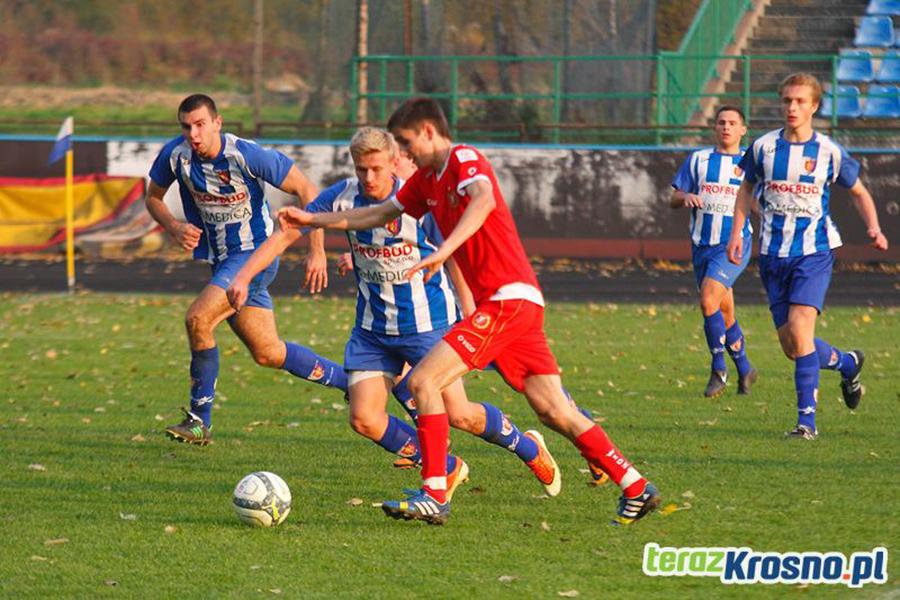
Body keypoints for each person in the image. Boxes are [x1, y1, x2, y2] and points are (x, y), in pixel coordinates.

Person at [278, 98, 660, 525]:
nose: (403, 154)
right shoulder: (425, 181)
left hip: (506, 298)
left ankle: (434, 494)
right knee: (552, 408)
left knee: (424, 381)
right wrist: (312, 221)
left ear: (428, 131)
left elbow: (483, 200)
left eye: (406, 142)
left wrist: (445, 249)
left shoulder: (463, 159)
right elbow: (380, 213)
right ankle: (636, 486)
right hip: (517, 304)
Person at [228, 127, 563, 499]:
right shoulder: (340, 197)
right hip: (372, 330)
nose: (369, 177)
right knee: (364, 419)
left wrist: (469, 305)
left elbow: (454, 251)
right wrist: (243, 277)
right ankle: (445, 467)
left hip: (427, 325)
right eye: (361, 169)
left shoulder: (418, 201)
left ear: (394, 163)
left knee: (460, 415)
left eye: (376, 169)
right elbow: (287, 233)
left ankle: (529, 448)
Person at [145, 94, 345, 445]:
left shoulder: (246, 154)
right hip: (221, 262)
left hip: (255, 256)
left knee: (198, 319)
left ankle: (199, 421)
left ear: (217, 123)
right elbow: (153, 197)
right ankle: (352, 382)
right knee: (268, 353)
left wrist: (317, 250)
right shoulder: (175, 155)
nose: (193, 134)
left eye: (200, 125)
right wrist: (174, 227)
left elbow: (307, 189)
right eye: (187, 127)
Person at [727, 73, 889, 440]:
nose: (792, 107)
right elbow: (745, 188)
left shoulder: (829, 151)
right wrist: (737, 234)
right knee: (793, 346)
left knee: (801, 332)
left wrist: (874, 228)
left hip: (813, 253)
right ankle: (847, 363)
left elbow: (859, 192)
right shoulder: (764, 147)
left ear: (814, 106)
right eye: (787, 100)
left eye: (800, 101)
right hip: (772, 256)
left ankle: (806, 424)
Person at [671, 105, 758, 398]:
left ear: (743, 130)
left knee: (708, 300)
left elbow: (757, 202)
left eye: (732, 123)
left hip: (734, 244)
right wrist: (686, 196)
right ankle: (745, 369)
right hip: (702, 245)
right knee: (725, 312)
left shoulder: (751, 165)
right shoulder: (698, 160)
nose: (726, 127)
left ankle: (718, 369)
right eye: (721, 122)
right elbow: (673, 197)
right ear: (714, 127)